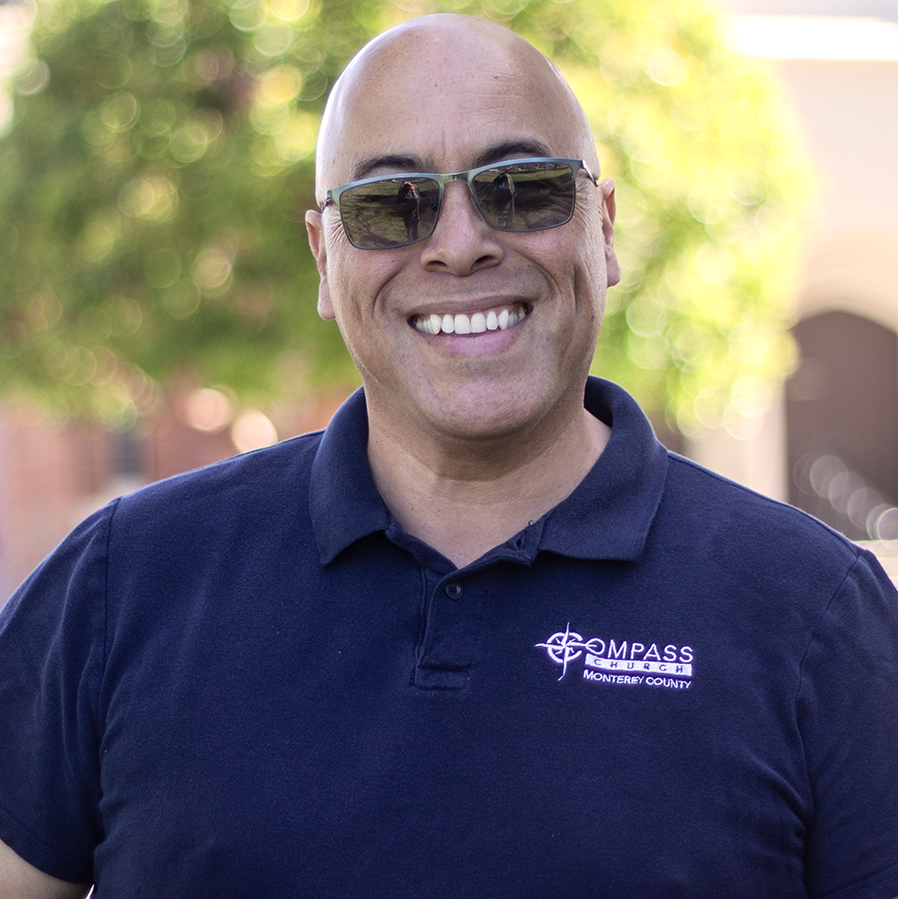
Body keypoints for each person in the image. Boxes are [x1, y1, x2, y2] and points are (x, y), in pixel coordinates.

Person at [1, 13, 897, 898]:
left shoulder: (817, 617)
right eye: (391, 206)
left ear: (605, 226)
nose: (461, 244)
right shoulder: (126, 580)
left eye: (522, 187)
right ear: (324, 255)